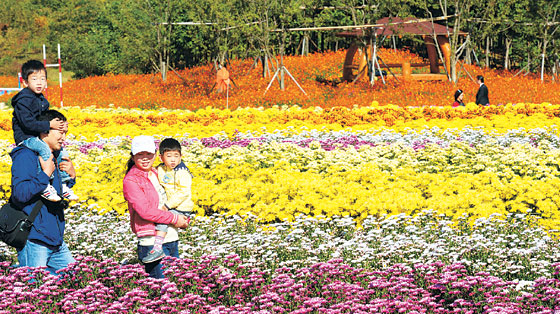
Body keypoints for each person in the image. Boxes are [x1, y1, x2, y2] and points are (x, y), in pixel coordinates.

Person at [10, 110, 76, 275]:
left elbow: (55, 193)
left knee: (74, 279)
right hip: (34, 238)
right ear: (45, 130)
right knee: (36, 291)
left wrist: (71, 178)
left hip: (54, 237)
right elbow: (20, 193)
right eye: (60, 132)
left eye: (65, 132)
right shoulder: (26, 155)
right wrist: (45, 174)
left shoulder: (55, 155)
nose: (63, 137)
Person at [122, 135, 190, 278]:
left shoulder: (157, 172)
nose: (145, 158)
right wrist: (174, 218)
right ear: (133, 157)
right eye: (140, 155)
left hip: (171, 237)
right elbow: (145, 212)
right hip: (151, 241)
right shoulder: (131, 180)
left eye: (149, 154)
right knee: (160, 289)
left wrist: (183, 217)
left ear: (155, 155)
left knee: (176, 285)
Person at [11, 60, 78, 202]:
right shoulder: (23, 100)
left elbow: (47, 117)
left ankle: (64, 184)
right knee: (45, 151)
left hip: (37, 135)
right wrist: (49, 124)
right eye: (34, 79)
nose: (39, 82)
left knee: (62, 152)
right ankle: (45, 186)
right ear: (25, 82)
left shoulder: (41, 99)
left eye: (42, 79)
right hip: (26, 137)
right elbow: (27, 123)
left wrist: (59, 125)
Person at [142, 138, 194, 264]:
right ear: (161, 158)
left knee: (162, 219)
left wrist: (167, 205)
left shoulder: (182, 172)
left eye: (176, 156)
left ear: (181, 156)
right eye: (169, 156)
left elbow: (183, 192)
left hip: (182, 207)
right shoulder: (161, 169)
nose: (173, 160)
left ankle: (157, 248)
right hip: (172, 206)